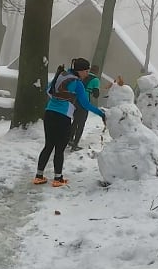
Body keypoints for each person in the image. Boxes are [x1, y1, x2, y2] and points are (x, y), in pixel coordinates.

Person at [34, 58, 105, 187]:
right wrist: (101, 114)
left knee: (48, 145)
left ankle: (39, 176)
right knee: (60, 148)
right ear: (80, 71)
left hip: (49, 113)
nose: (87, 73)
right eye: (86, 70)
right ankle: (58, 178)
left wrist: (58, 99)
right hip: (63, 116)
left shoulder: (62, 75)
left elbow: (48, 90)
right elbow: (85, 104)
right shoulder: (77, 83)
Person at [69, 64, 101, 151]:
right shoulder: (96, 80)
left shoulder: (82, 76)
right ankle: (75, 145)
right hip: (84, 102)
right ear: (97, 71)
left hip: (75, 101)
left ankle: (70, 139)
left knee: (75, 121)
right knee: (81, 124)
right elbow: (96, 94)